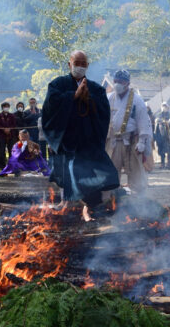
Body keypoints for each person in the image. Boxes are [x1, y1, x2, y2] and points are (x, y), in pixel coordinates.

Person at [42, 50, 119, 221]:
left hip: (88, 141)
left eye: (84, 63)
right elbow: (50, 108)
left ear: (88, 66)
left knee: (94, 173)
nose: (80, 67)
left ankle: (88, 207)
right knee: (68, 173)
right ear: (69, 64)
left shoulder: (96, 88)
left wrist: (89, 99)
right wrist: (73, 96)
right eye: (77, 63)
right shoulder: (57, 85)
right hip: (67, 139)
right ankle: (67, 203)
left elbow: (103, 111)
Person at [106, 70, 152, 194]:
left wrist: (142, 142)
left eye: (121, 82)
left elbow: (143, 121)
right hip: (113, 142)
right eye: (115, 81)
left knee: (135, 172)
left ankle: (138, 203)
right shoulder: (109, 98)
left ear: (127, 83)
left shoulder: (137, 100)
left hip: (132, 141)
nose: (117, 84)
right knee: (111, 172)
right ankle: (111, 200)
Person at [0, 102, 16, 168]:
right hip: (2, 135)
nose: (6, 108)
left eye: (7, 106)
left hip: (10, 135)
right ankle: (2, 166)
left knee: (11, 151)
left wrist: (9, 129)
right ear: (2, 107)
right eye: (5, 106)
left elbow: (14, 124)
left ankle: (11, 165)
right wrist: (4, 129)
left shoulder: (12, 115)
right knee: (2, 151)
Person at [154, 102, 170, 169]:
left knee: (169, 149)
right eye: (163, 106)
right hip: (160, 134)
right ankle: (162, 163)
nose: (164, 107)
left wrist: (167, 122)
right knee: (161, 149)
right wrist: (162, 121)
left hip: (168, 135)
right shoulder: (159, 114)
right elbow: (156, 119)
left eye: (165, 106)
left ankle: (169, 163)